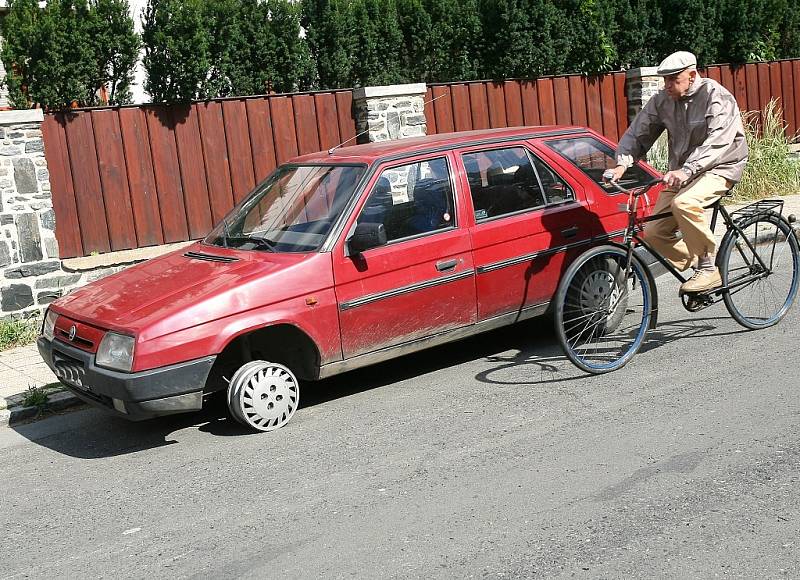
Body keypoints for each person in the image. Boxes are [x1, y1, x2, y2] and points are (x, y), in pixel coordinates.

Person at [605, 51, 749, 293]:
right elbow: (639, 132)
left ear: (692, 76)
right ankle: (702, 270)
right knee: (653, 232)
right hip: (683, 171)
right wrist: (622, 163)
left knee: (684, 203)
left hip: (722, 166)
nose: (667, 85)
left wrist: (687, 170)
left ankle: (707, 268)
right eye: (665, 80)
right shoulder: (663, 100)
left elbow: (717, 140)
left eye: (674, 79)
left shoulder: (716, 95)